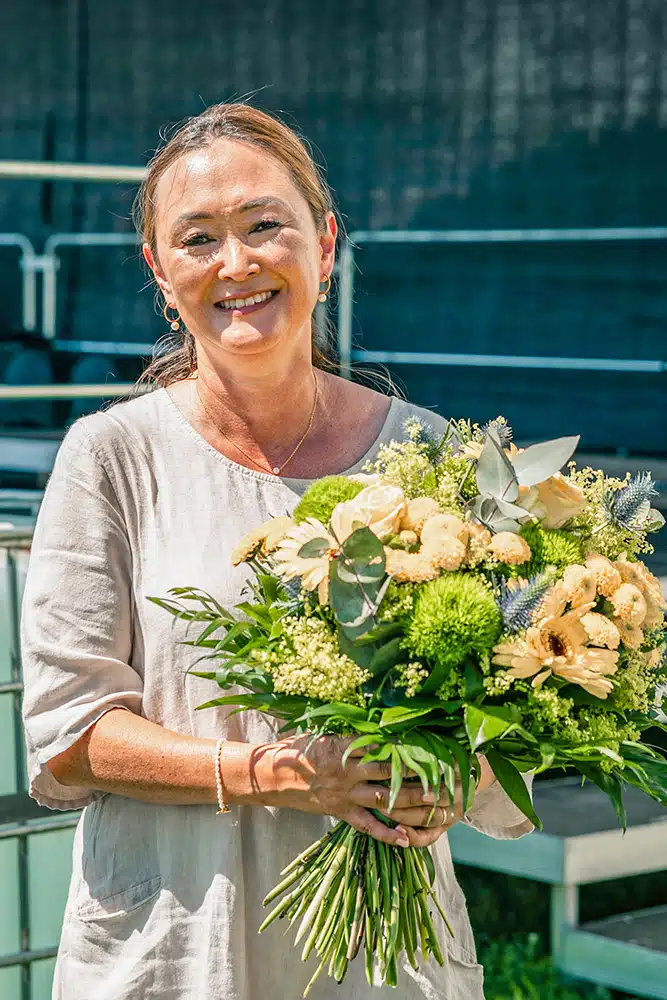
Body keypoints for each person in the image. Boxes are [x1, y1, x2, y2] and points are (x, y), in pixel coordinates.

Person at [21, 103, 532, 1000]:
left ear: (325, 246)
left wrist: (446, 777)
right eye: (198, 239)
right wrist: (288, 776)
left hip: (383, 962)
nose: (237, 263)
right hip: (174, 950)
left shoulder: (434, 456)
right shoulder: (112, 457)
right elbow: (69, 739)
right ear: (159, 270)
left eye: (265, 226)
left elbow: (510, 718)